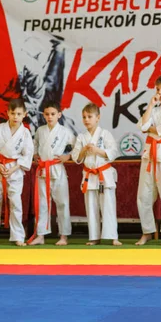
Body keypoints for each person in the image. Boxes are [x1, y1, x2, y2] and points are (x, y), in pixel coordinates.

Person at [0, 98, 34, 246]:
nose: (15, 117)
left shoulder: (25, 133)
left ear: (24, 114)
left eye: (18, 114)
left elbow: (27, 154)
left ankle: (18, 236)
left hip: (14, 171)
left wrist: (14, 169)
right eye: (12, 113)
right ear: (7, 113)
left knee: (16, 203)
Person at [71, 103, 121, 246]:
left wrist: (97, 150)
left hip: (104, 175)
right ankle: (94, 237)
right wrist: (84, 150)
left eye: (90, 117)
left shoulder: (105, 134)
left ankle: (113, 237)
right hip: (89, 175)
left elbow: (113, 152)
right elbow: (76, 158)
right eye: (84, 117)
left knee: (108, 206)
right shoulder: (81, 136)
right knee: (91, 207)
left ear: (97, 118)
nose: (86, 120)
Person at [28, 100, 75, 246]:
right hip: (43, 170)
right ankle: (41, 235)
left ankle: (63, 236)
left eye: (53, 114)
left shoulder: (65, 132)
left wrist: (68, 156)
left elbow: (77, 147)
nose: (50, 117)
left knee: (62, 203)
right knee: (42, 204)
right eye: (47, 114)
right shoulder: (40, 130)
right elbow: (34, 145)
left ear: (59, 115)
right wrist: (35, 154)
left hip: (57, 169)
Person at [135, 74, 161, 246]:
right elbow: (142, 126)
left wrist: (151, 129)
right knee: (143, 196)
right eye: (157, 89)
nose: (160, 92)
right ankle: (147, 231)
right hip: (149, 156)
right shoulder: (154, 110)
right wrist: (150, 105)